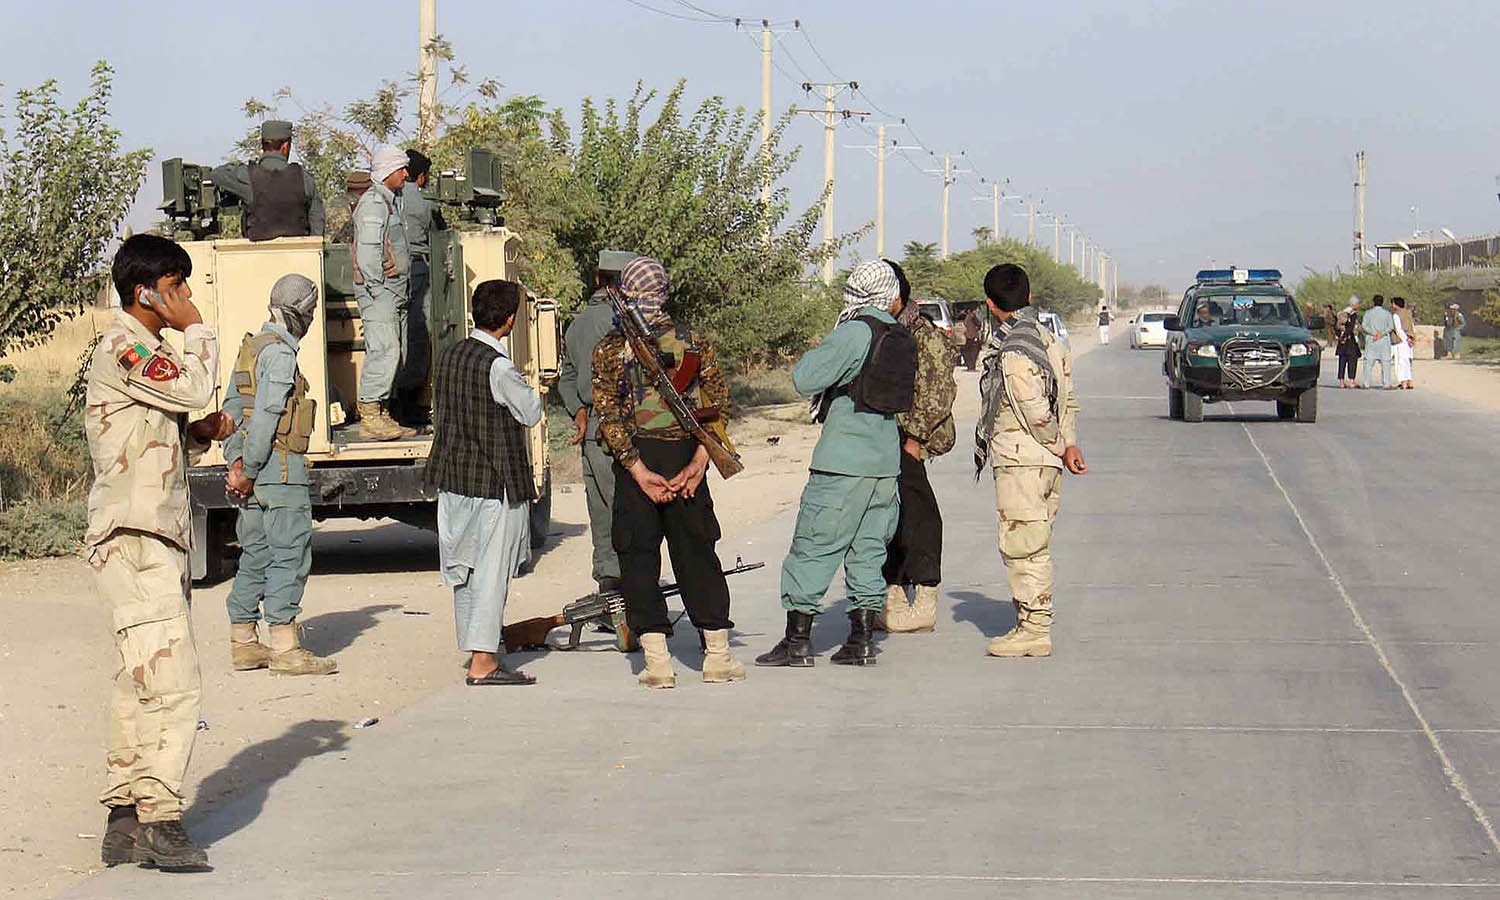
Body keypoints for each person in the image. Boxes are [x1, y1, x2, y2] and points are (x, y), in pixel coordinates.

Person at [86, 234, 234, 869]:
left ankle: (125, 814)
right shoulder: (127, 345)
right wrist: (198, 329)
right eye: (179, 287)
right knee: (174, 685)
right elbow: (196, 384)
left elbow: (157, 427)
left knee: (140, 681)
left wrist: (194, 435)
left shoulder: (142, 352)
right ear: (147, 292)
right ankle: (160, 817)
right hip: (136, 538)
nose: (188, 299)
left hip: (151, 534)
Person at [592, 256, 744, 689]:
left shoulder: (609, 349)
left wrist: (638, 471)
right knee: (698, 556)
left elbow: (610, 417)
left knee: (638, 558)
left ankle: (658, 664)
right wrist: (699, 463)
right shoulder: (694, 342)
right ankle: (717, 657)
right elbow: (716, 407)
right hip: (684, 459)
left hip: (638, 461)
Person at [757, 259, 911, 669]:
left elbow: (804, 379)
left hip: (843, 462)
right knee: (867, 552)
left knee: (813, 548)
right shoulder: (898, 334)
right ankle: (860, 640)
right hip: (884, 465)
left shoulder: (855, 332)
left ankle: (797, 641)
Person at [426, 279, 543, 685]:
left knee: (465, 570)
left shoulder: (448, 355)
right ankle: (483, 661)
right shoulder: (499, 366)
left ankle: (477, 646)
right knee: (492, 573)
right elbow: (530, 412)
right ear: (509, 321)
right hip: (494, 484)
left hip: (453, 479)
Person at [222, 274, 337, 677]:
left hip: (251, 472)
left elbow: (232, 412)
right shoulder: (282, 356)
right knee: (289, 553)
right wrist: (249, 469)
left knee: (256, 551)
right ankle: (285, 649)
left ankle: (244, 642)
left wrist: (235, 465)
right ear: (299, 313)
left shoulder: (250, 348)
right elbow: (269, 414)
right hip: (278, 471)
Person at [975, 264, 1085, 659]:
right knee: (1033, 543)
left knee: (1024, 547)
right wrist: (1069, 444)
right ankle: (1030, 623)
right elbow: (1067, 397)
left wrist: (1057, 443)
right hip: (1045, 462)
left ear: (990, 304)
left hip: (1024, 460)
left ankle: (1034, 630)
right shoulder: (1048, 340)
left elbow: (1035, 409)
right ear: (1030, 297)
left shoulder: (1014, 350)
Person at [879, 261, 957, 634]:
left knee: (919, 515)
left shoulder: (925, 338)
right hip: (881, 439)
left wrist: (914, 439)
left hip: (909, 438)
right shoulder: (882, 332)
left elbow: (938, 395)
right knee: (887, 518)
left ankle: (924, 599)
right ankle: (892, 595)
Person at [557, 250, 638, 595]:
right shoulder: (627, 321)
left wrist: (578, 410)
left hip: (591, 427)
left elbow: (567, 377)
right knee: (629, 509)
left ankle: (609, 589)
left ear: (597, 280)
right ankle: (634, 589)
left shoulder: (577, 324)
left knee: (601, 510)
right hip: (623, 426)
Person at [351, 146, 414, 440]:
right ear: (388, 171)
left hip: (394, 291)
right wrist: (377, 290)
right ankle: (370, 417)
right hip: (382, 292)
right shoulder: (374, 203)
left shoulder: (391, 201)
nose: (406, 174)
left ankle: (382, 412)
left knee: (396, 353)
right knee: (385, 352)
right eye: (401, 169)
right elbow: (367, 253)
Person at [392, 149, 448, 427]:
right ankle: (410, 400)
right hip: (418, 268)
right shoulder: (425, 201)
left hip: (388, 272)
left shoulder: (387, 197)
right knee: (419, 336)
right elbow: (442, 236)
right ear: (422, 176)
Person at [209, 120, 325, 241]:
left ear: (262, 144)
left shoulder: (247, 176)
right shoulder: (305, 179)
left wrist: (242, 168)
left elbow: (216, 174)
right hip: (300, 256)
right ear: (286, 146)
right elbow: (317, 227)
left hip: (257, 256)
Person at [1358, 295, 1395, 389]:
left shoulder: (1368, 313)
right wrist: (1381, 334)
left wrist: (1373, 333)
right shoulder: (1387, 314)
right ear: (1382, 302)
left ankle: (1366, 383)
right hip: (1384, 340)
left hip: (1371, 339)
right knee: (1385, 362)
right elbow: (1390, 327)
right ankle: (1386, 383)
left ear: (1373, 302)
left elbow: (1364, 326)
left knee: (1368, 362)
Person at [1334, 297, 1362, 388]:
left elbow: (1336, 327)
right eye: (1357, 304)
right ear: (1354, 304)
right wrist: (1346, 335)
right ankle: (1352, 381)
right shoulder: (1352, 314)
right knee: (1352, 360)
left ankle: (1341, 382)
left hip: (1341, 341)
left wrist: (1341, 337)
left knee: (1342, 361)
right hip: (1350, 340)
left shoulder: (1341, 313)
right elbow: (1351, 327)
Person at [1391, 296, 1416, 390]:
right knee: (1407, 362)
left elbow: (1398, 330)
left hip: (1401, 341)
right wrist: (1412, 338)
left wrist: (1405, 339)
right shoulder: (1408, 313)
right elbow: (1412, 327)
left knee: (1400, 362)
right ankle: (1409, 381)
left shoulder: (1396, 315)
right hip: (1409, 339)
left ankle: (1403, 382)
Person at [961, 306, 983, 371]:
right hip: (972, 336)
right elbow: (978, 324)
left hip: (967, 336)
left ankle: (970, 366)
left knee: (968, 351)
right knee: (973, 351)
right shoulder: (972, 316)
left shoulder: (966, 317)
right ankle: (971, 366)